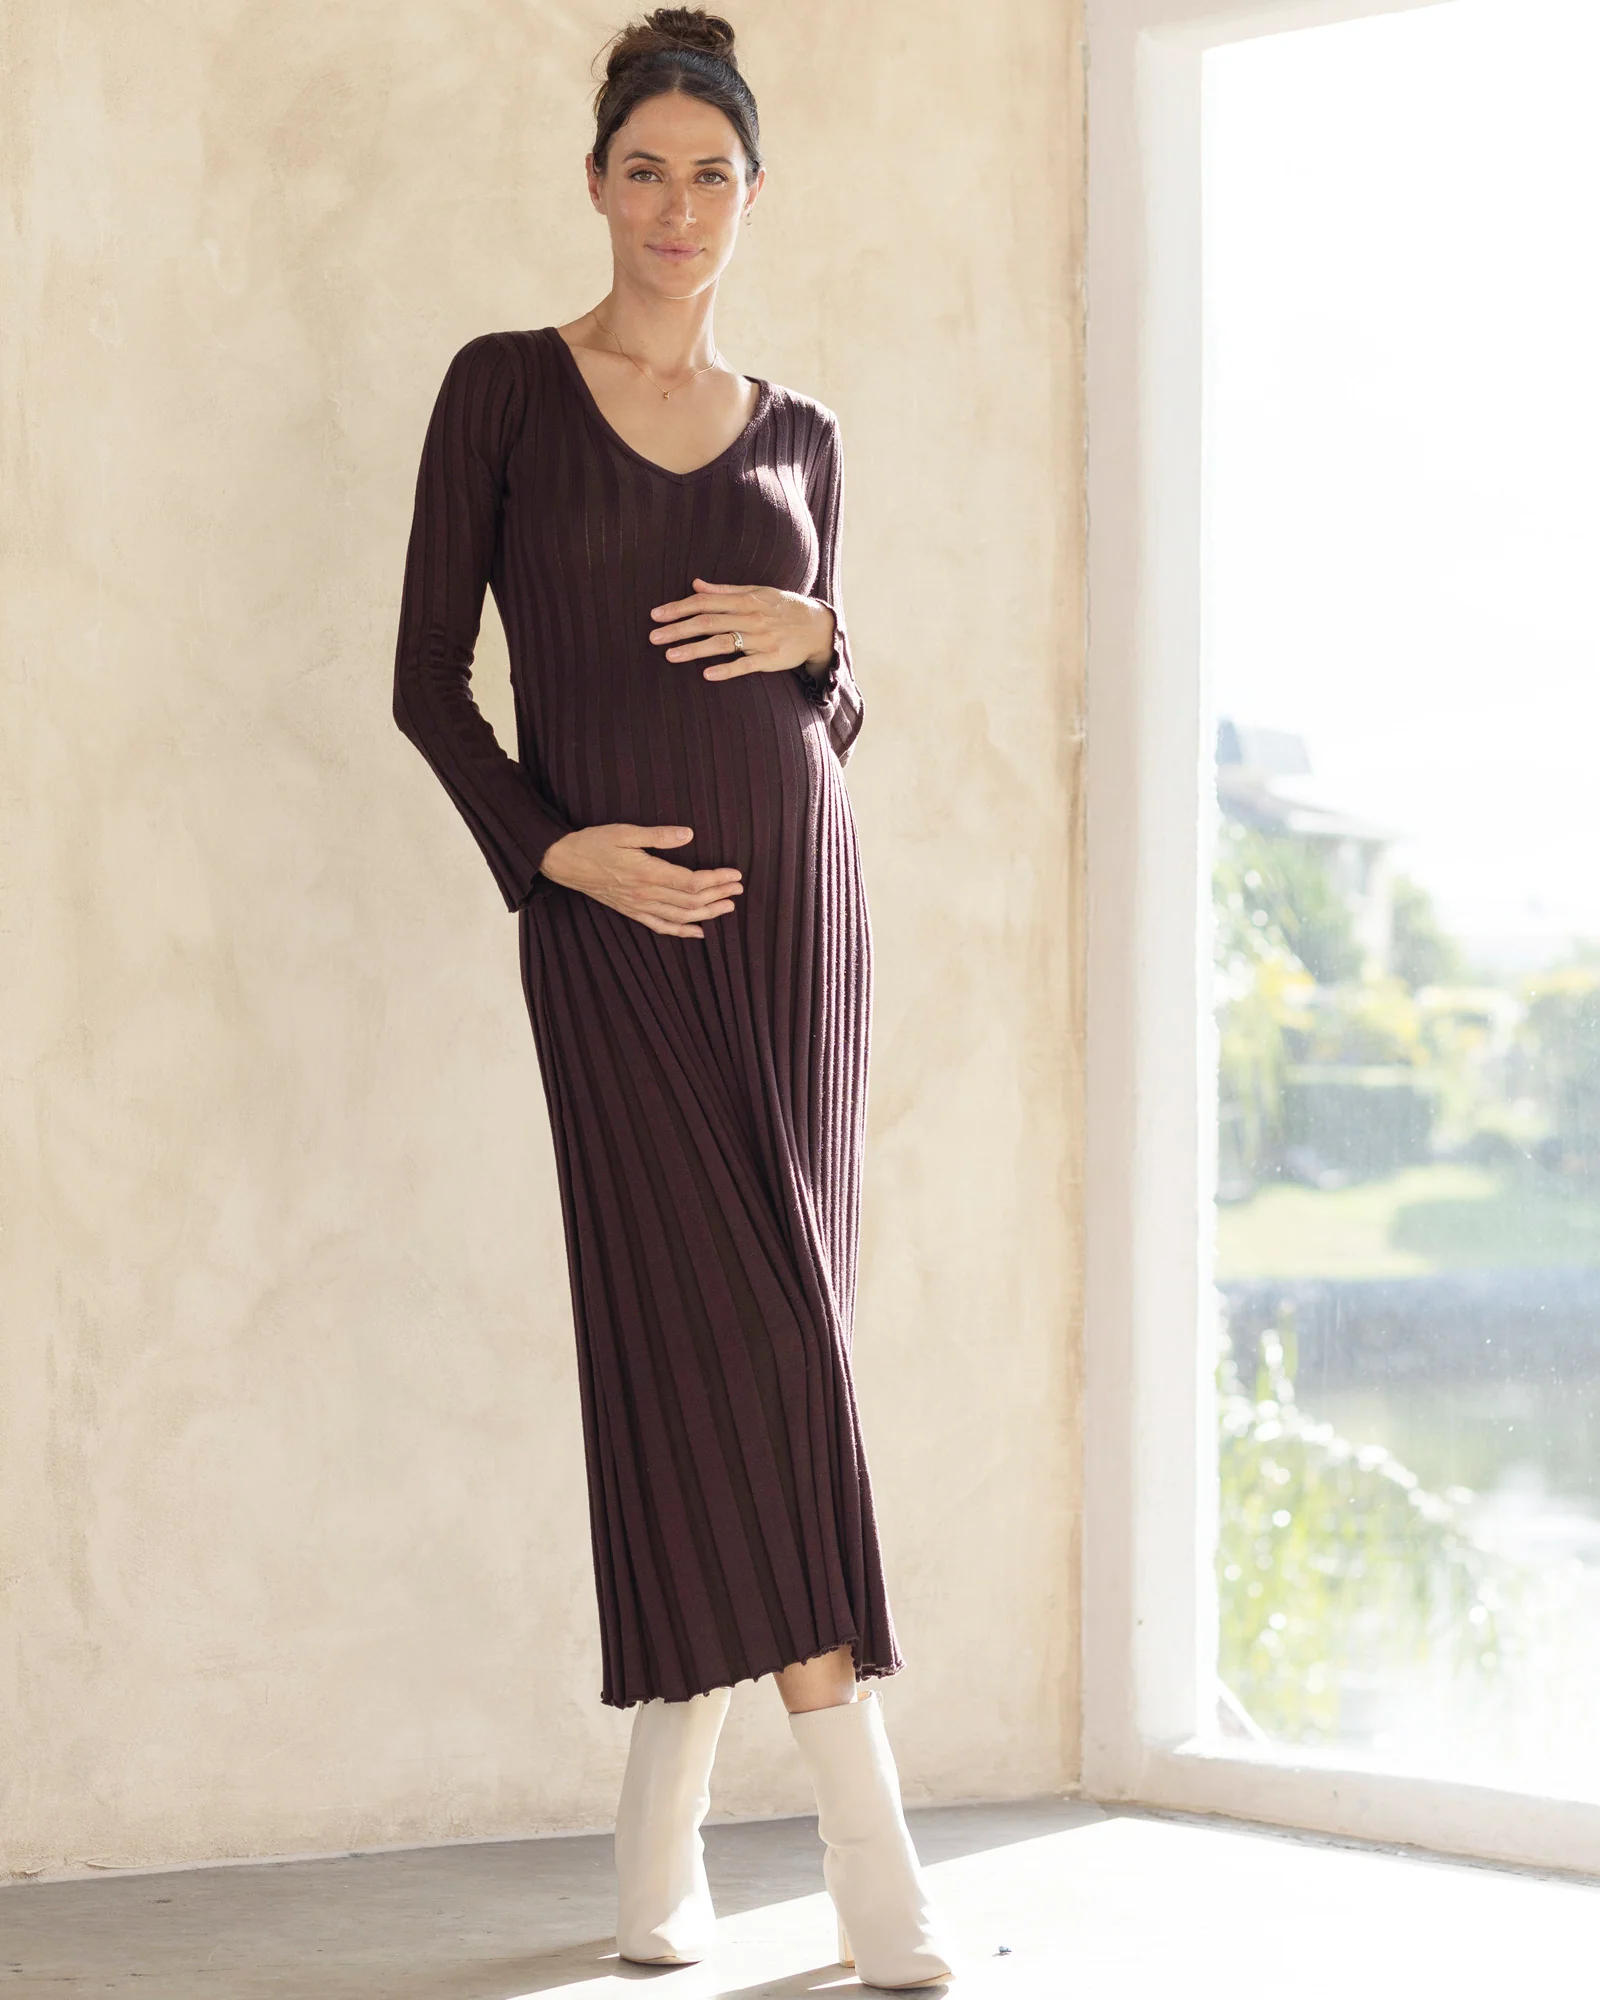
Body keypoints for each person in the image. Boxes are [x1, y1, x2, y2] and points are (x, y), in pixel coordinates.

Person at [391, 8, 953, 1987]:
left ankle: (662, 1812)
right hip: (613, 946)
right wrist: (557, 853)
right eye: (644, 168)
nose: (675, 206)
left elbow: (828, 715)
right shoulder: (505, 390)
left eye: (710, 173)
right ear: (595, 183)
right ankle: (870, 1842)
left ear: (752, 194)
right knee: (712, 1347)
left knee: (775, 1349)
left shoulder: (802, 432)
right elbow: (424, 685)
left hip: (801, 937)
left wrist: (827, 634)